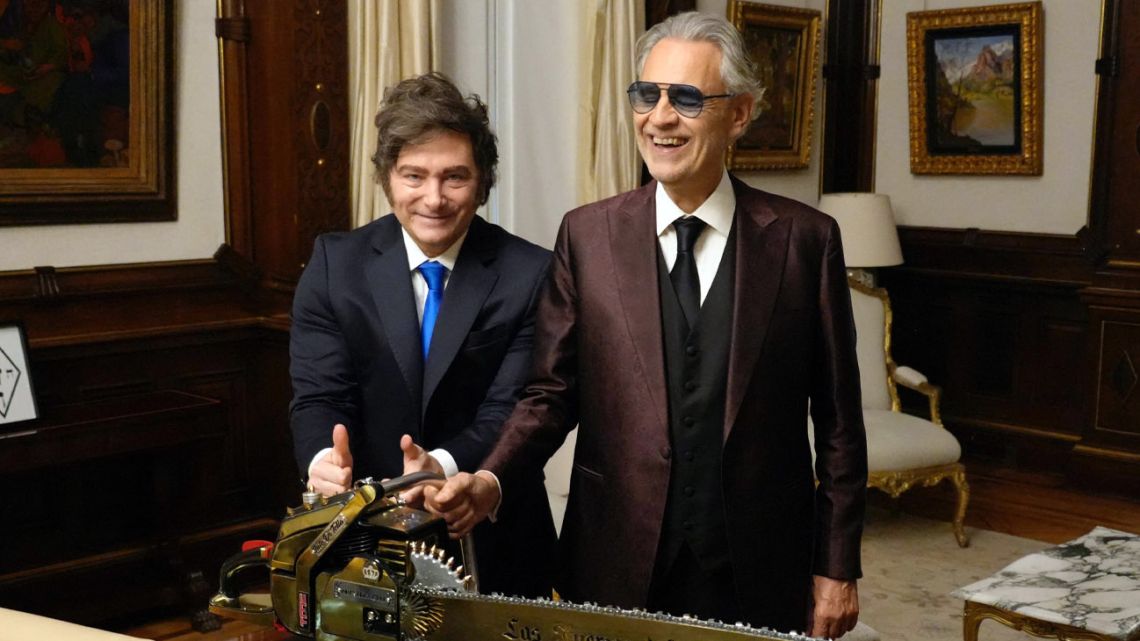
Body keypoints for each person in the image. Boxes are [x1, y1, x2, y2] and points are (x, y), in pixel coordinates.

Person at [426, 12, 867, 638]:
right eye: (646, 94)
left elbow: (840, 423)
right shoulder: (587, 235)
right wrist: (493, 478)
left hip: (761, 558)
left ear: (739, 114)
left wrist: (837, 565)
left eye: (686, 98)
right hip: (615, 552)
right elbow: (550, 395)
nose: (660, 117)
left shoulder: (805, 241)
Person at [289, 72, 556, 598]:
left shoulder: (532, 272)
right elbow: (319, 395)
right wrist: (322, 460)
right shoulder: (332, 265)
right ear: (388, 177)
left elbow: (514, 406)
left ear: (482, 183)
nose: (433, 198)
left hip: (496, 537)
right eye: (414, 176)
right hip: (361, 539)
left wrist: (444, 465)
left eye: (454, 177)